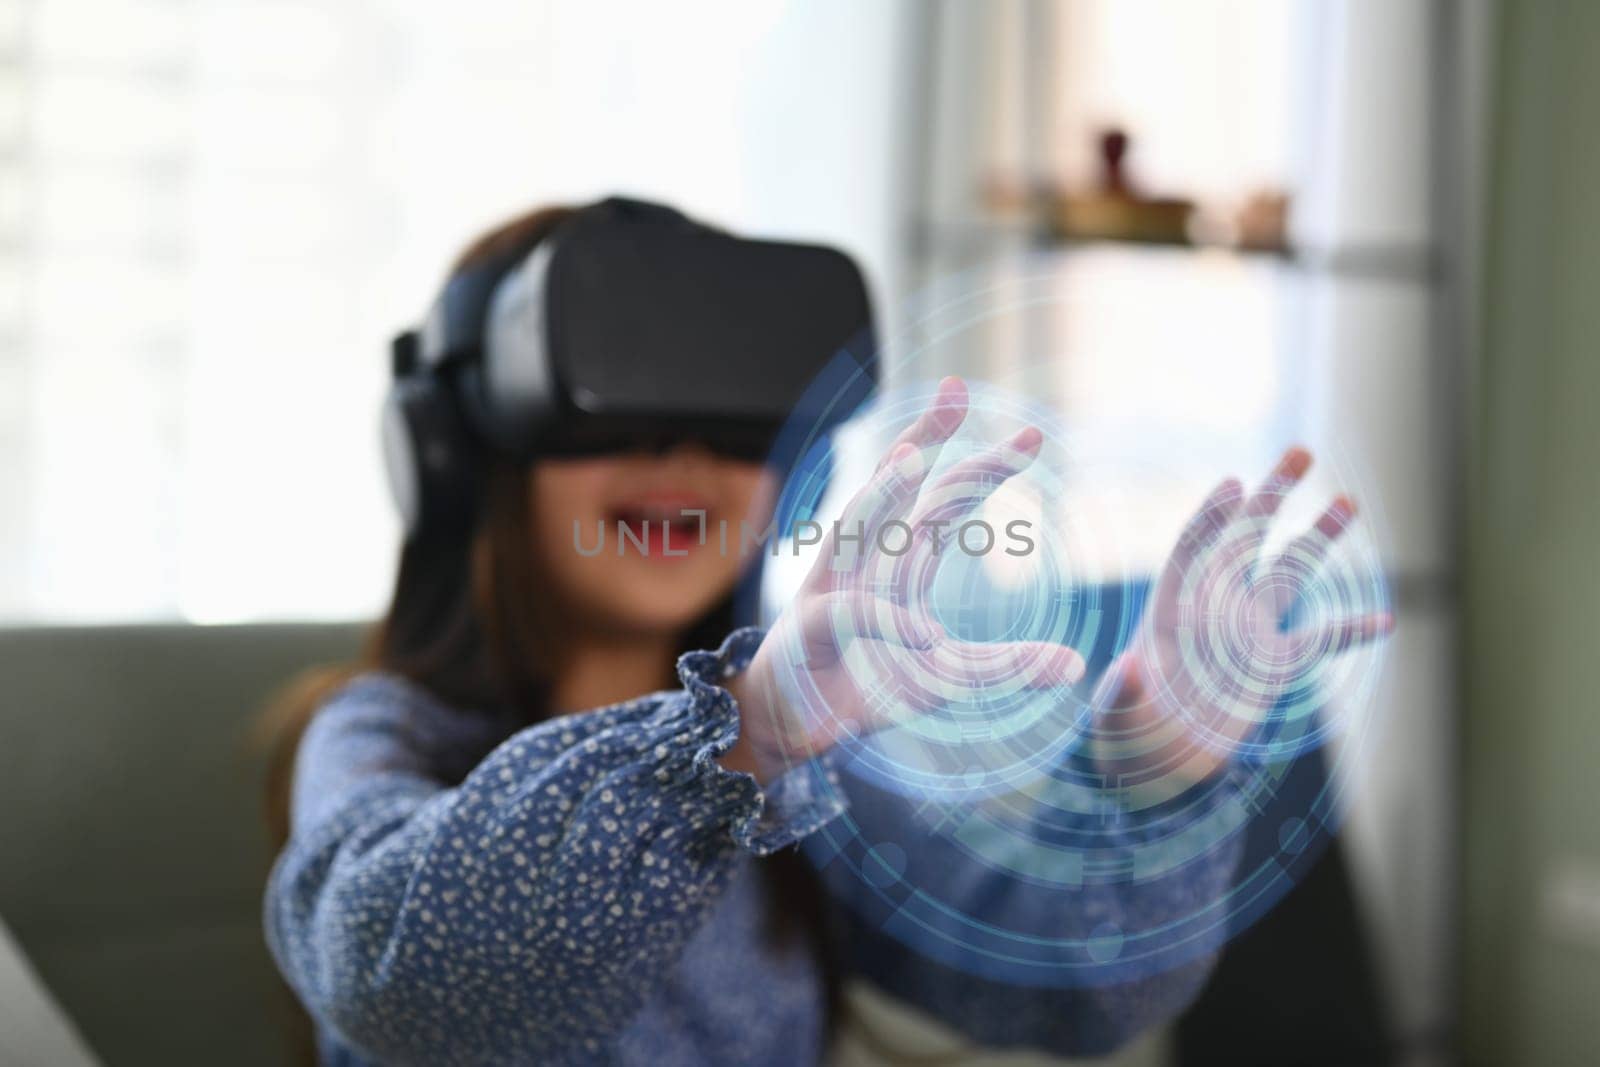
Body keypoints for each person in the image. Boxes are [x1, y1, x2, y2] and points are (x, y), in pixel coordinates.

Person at [261, 200, 1390, 1065]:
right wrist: (737, 735)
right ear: (462, 462)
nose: (685, 460)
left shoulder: (811, 773)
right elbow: (397, 975)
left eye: (734, 420)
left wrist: (1159, 767)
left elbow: (1067, 985)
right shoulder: (381, 734)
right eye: (621, 405)